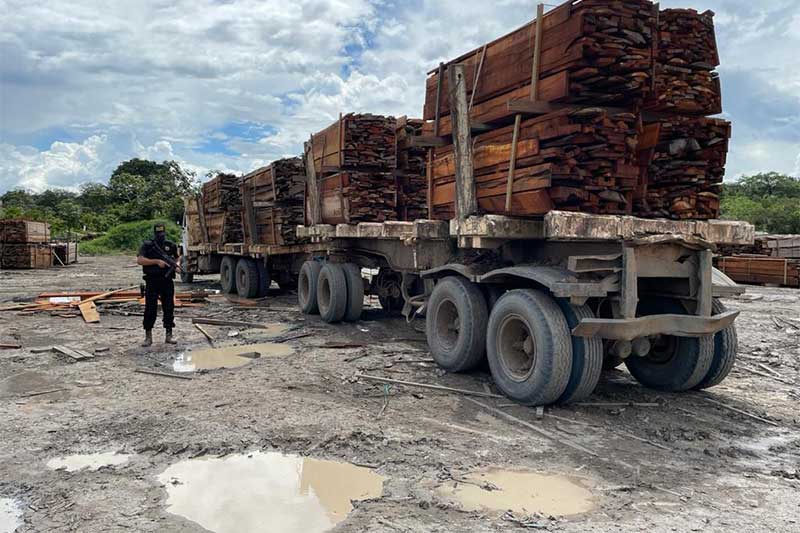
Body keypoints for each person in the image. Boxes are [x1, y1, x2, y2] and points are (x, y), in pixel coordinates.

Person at [136, 223, 181, 347]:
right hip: (152, 281)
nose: (161, 236)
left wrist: (175, 266)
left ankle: (169, 335)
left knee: (169, 308)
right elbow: (140, 260)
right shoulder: (148, 246)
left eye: (162, 234)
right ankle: (148, 336)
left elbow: (177, 258)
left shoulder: (170, 245)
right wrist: (156, 261)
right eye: (158, 234)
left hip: (166, 281)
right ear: (155, 234)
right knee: (150, 309)